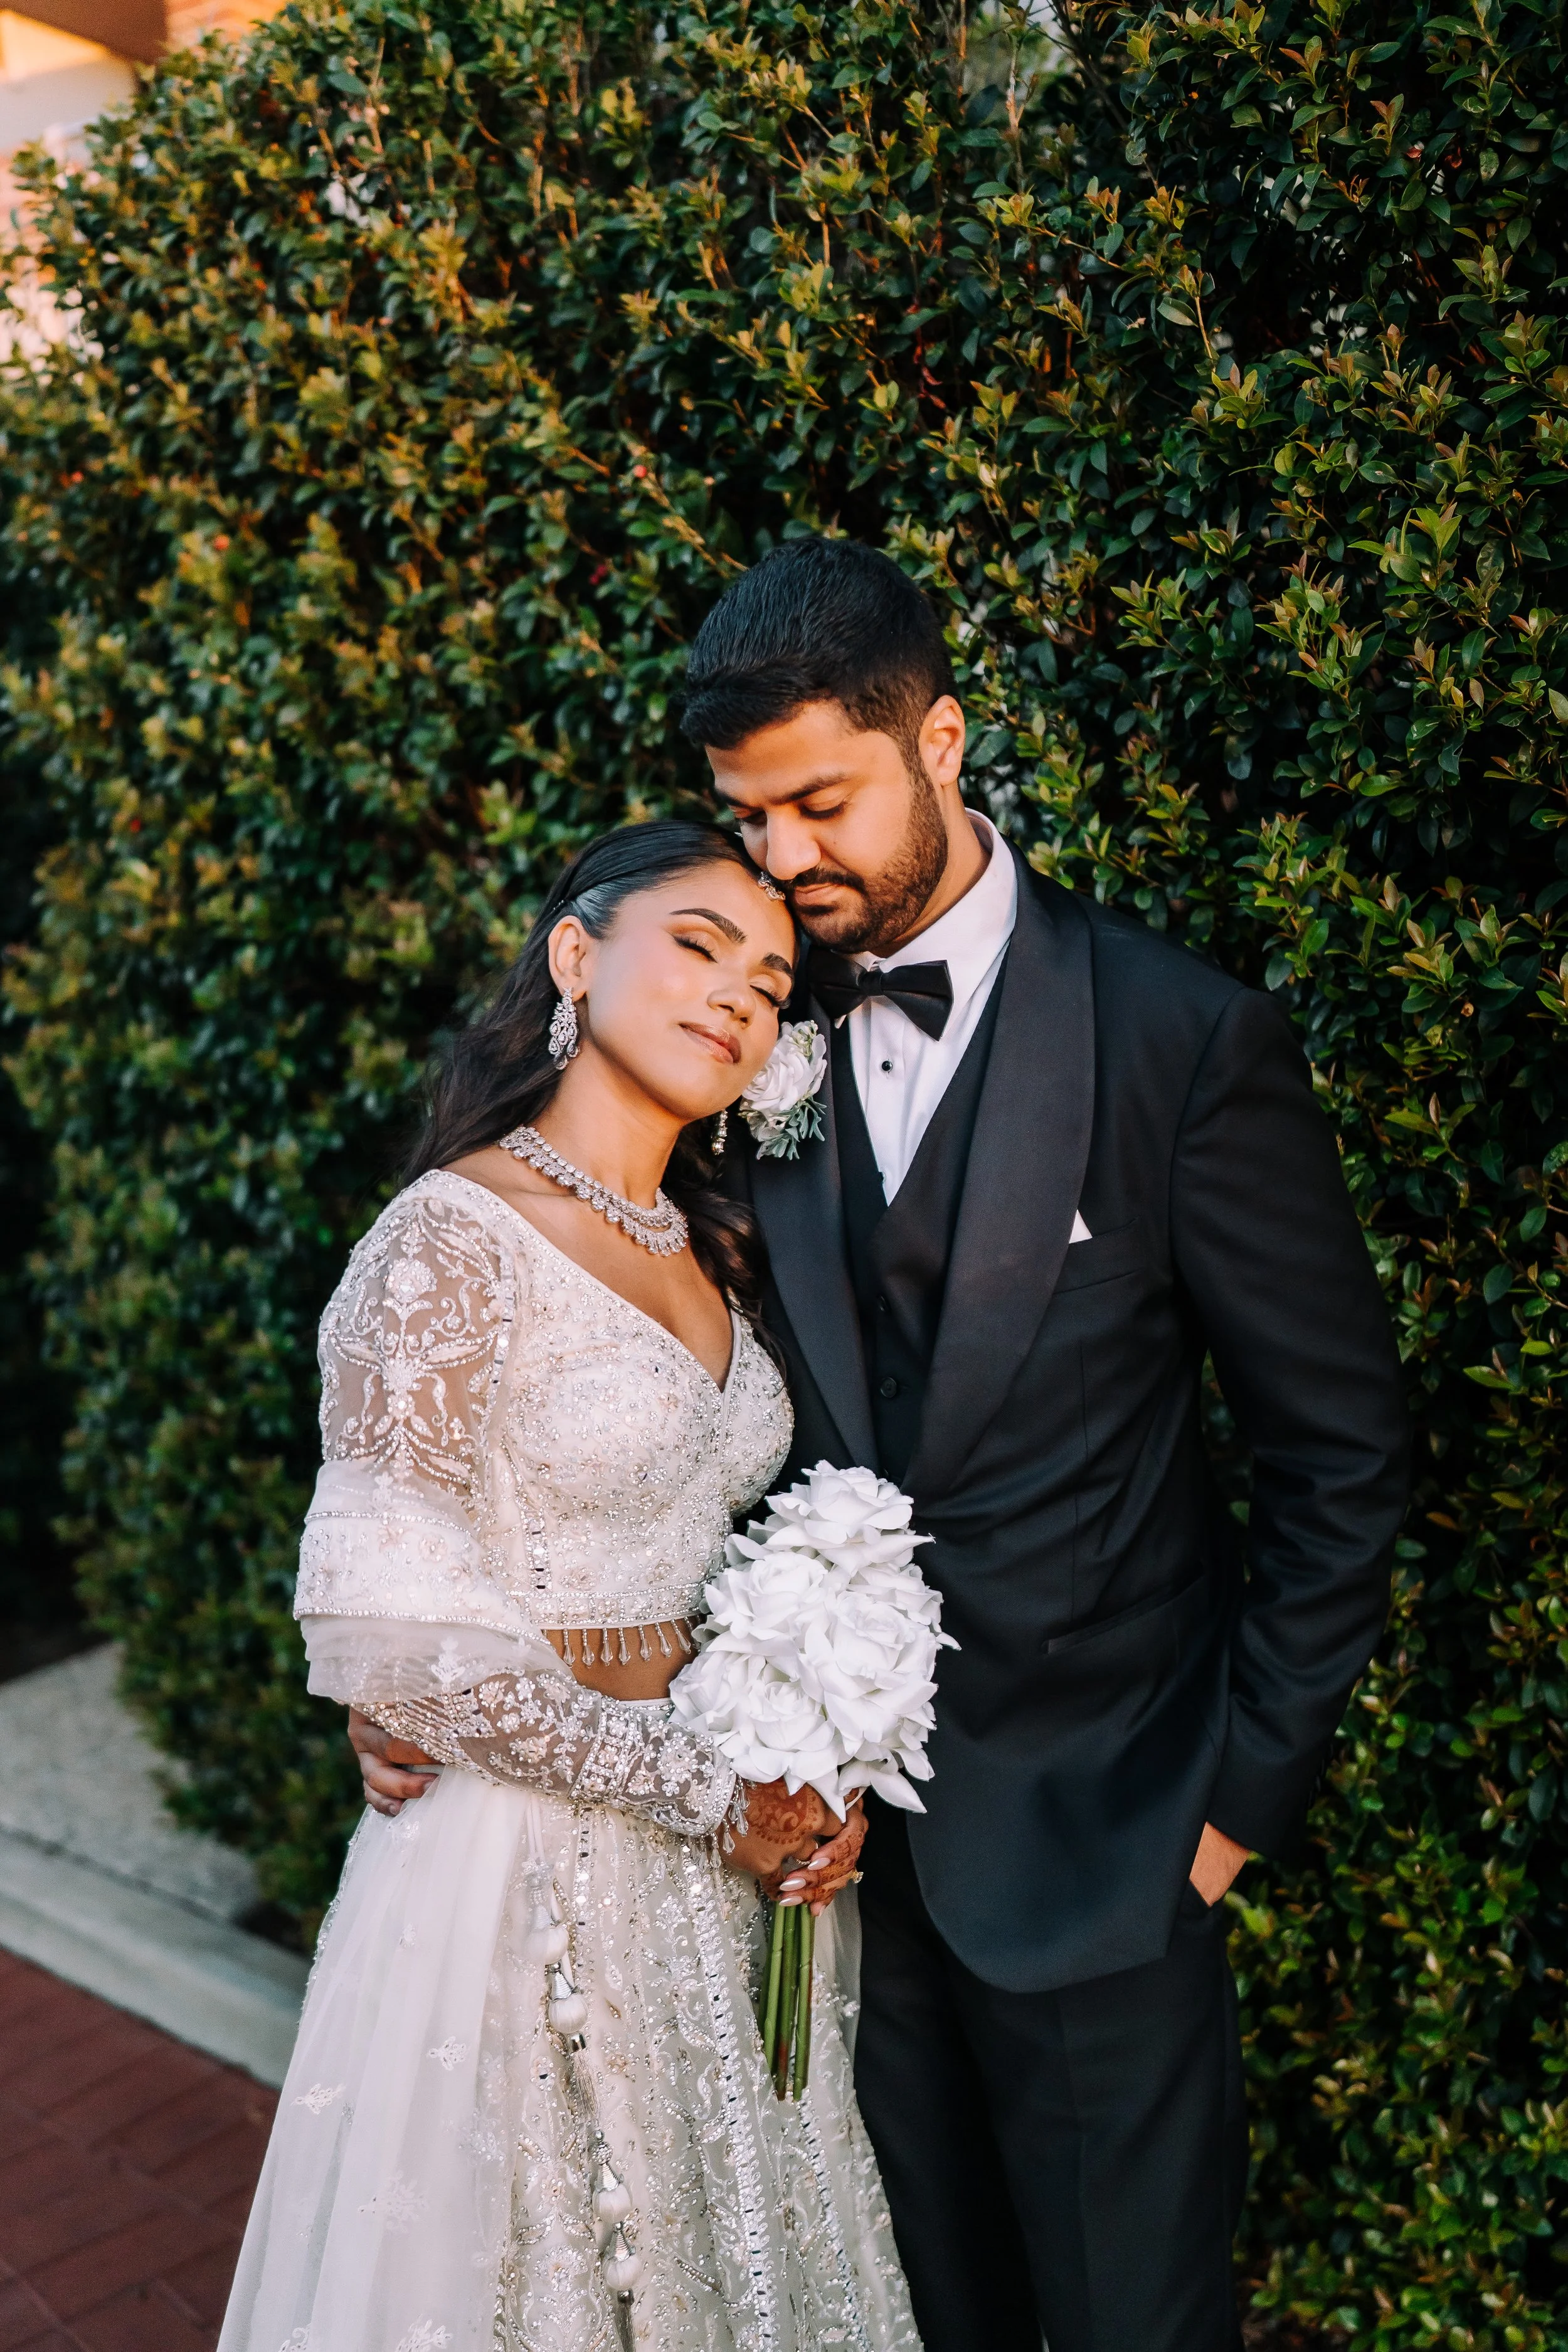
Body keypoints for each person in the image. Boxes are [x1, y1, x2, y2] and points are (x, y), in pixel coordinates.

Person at [676, 538, 1407, 2352]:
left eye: (817, 803)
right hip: (851, 1867)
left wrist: (1231, 1808)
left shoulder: (1181, 1038)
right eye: (745, 819)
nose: (781, 861)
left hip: (1110, 1853)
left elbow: (1338, 1454)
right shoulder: (747, 1033)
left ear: (938, 739)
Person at [219, 820, 920, 2352]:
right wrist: (704, 1787)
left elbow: (731, 1556)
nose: (740, 994)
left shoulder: (721, 1249)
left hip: (716, 1878)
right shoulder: (449, 1241)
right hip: (518, 1869)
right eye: (697, 945)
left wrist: (819, 1751)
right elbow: (392, 1643)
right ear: (575, 954)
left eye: (771, 977)